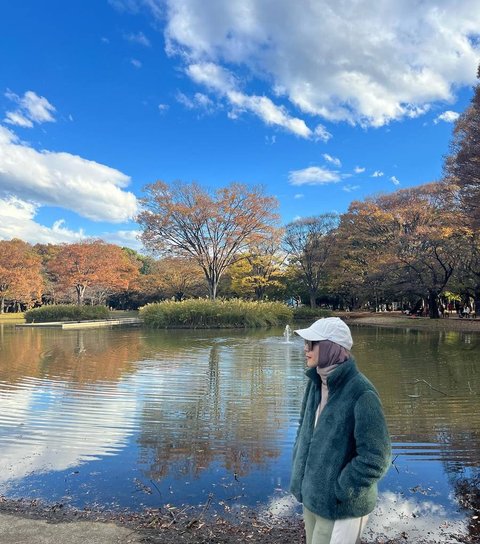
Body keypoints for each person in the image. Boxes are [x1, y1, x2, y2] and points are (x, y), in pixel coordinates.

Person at [290, 317, 391, 544]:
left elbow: (377, 458)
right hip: (311, 497)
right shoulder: (315, 383)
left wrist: (340, 490)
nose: (305, 348)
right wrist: (301, 478)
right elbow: (303, 432)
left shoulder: (362, 393)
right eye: (306, 342)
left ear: (330, 347)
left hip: (341, 507)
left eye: (312, 343)